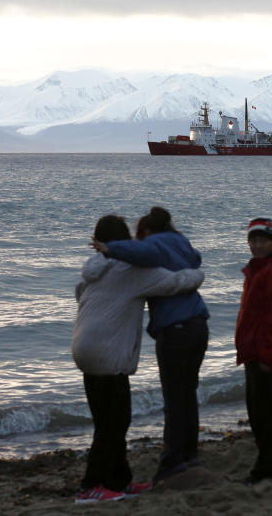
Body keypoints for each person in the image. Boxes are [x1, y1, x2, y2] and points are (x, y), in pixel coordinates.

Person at [72, 214, 205, 504]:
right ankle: (89, 487)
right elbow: (175, 282)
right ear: (127, 242)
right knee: (114, 423)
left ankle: (120, 481)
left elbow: (79, 293)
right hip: (108, 352)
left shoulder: (93, 270)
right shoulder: (129, 270)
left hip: (83, 346)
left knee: (108, 419)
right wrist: (199, 274)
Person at [234, 217, 272, 484]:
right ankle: (267, 466)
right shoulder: (259, 268)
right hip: (254, 351)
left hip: (267, 354)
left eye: (263, 241)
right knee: (258, 414)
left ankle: (271, 470)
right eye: (253, 241)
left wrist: (268, 357)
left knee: (266, 416)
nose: (257, 246)